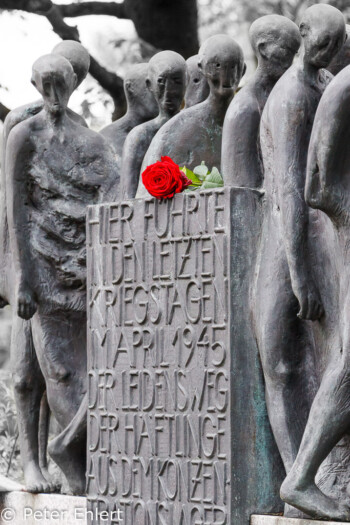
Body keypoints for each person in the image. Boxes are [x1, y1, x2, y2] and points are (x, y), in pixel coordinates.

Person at [6, 54, 118, 494]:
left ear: (74, 83)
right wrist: (21, 277)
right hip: (40, 271)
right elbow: (14, 208)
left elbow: (113, 194)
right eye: (45, 85)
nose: (53, 96)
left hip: (85, 269)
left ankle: (78, 454)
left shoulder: (91, 141)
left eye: (61, 85)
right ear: (34, 83)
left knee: (93, 369)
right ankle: (67, 466)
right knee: (55, 372)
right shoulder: (22, 133)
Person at [253, 4, 346, 517]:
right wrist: (298, 272)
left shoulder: (325, 82)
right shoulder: (291, 96)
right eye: (323, 43)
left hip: (317, 238)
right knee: (283, 363)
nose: (329, 54)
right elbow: (289, 190)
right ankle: (298, 482)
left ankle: (309, 481)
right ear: (304, 36)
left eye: (336, 45)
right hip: (285, 243)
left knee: (320, 359)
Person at [137, 34, 246, 198]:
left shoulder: (254, 119)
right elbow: (144, 202)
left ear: (243, 70)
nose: (226, 77)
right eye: (217, 66)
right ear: (202, 68)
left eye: (233, 67)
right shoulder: (174, 131)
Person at [221, 15, 301, 188]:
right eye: (287, 50)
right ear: (264, 49)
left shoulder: (282, 95)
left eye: (295, 54)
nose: (292, 61)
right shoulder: (245, 108)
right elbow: (241, 187)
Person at [121, 50, 187, 199]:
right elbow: (126, 200)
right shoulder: (139, 136)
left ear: (186, 81)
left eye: (176, 81)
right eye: (161, 82)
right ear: (149, 85)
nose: (169, 91)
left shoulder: (197, 127)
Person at [100, 63, 158, 165]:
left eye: (158, 86)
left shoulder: (167, 132)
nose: (156, 93)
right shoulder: (105, 140)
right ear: (130, 87)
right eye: (148, 86)